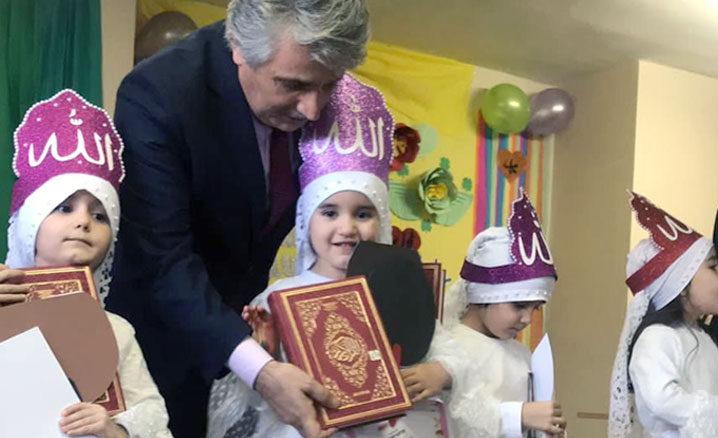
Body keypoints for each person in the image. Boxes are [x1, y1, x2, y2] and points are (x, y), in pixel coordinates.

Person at [105, 1, 370, 436]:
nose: (312, 110)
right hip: (158, 348)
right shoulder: (159, 95)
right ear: (238, 47)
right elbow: (162, 260)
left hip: (248, 337)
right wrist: (258, 368)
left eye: (329, 85)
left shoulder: (321, 92)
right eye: (293, 85)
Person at [208, 74, 467, 438]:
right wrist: (265, 347)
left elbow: (447, 348)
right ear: (306, 221)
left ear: (381, 220)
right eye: (330, 213)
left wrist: (441, 372)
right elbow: (249, 393)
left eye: (363, 214)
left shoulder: (396, 289)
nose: (347, 228)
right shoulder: (278, 297)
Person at [1, 89, 173, 438]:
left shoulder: (116, 330)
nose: (83, 222)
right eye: (64, 208)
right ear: (31, 220)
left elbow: (152, 415)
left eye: (99, 215)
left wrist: (114, 428)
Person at [441, 191, 566, 438]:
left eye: (536, 308)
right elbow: (453, 420)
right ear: (484, 296)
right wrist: (518, 417)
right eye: (519, 306)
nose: (527, 319)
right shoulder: (449, 350)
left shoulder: (523, 356)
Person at [609, 192, 718, 438]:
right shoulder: (657, 337)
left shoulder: (706, 339)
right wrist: (711, 410)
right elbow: (661, 398)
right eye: (713, 266)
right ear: (680, 285)